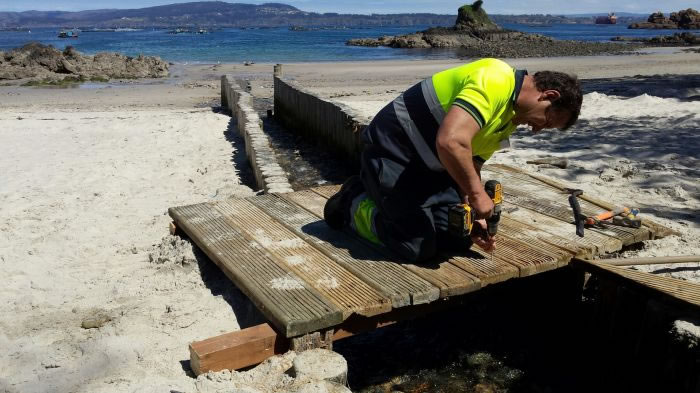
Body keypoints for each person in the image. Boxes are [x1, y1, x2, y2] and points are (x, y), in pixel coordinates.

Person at [324, 58, 582, 263]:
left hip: (431, 167)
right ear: (548, 95)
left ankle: (390, 202)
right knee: (415, 247)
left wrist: (475, 213)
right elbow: (451, 142)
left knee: (459, 236)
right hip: (392, 154)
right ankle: (353, 200)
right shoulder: (495, 77)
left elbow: (473, 162)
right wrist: (478, 194)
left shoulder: (509, 119)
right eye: (546, 122)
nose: (537, 129)